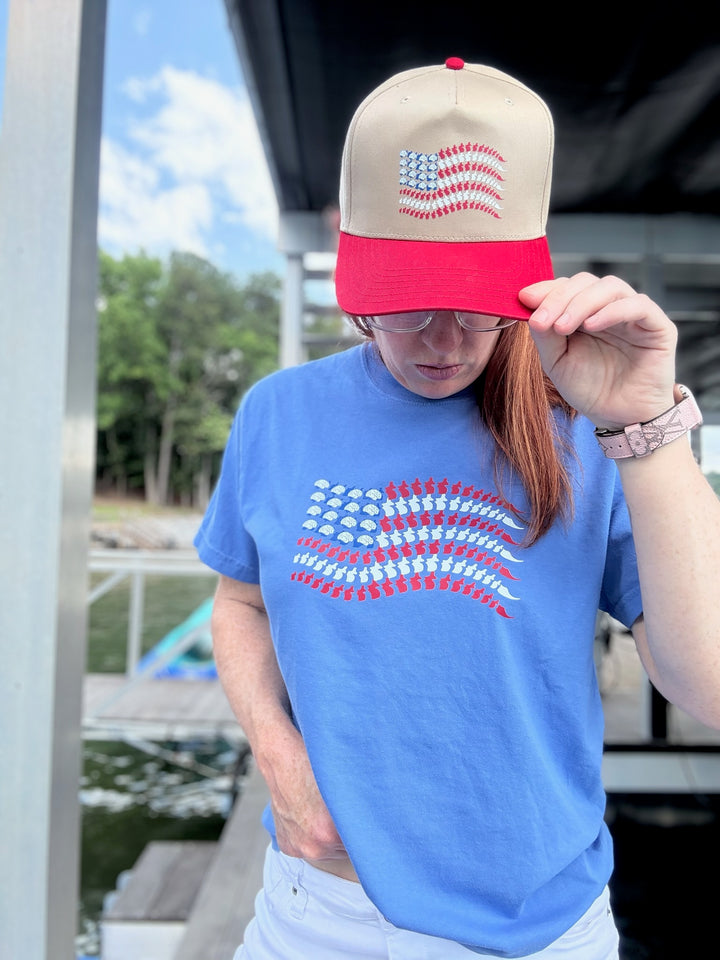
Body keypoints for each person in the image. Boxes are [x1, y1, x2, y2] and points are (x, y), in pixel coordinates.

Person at [194, 58, 720, 959]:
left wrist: (649, 426)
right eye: (408, 303)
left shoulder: (588, 429)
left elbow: (708, 686)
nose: (443, 342)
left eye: (477, 306)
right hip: (311, 914)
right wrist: (279, 759)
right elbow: (240, 601)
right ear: (356, 273)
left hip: (535, 933)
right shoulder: (278, 413)